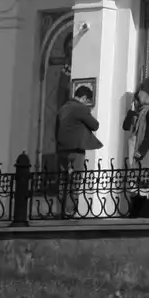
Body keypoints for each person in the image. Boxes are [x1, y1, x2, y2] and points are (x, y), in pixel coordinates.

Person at [54, 85, 102, 216]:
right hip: (76, 149)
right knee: (75, 180)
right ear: (84, 98)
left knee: (63, 180)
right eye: (87, 101)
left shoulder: (63, 107)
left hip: (62, 149)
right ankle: (70, 210)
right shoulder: (80, 108)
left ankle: (60, 210)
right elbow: (95, 125)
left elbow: (56, 128)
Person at [122, 89, 149, 216]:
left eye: (135, 100)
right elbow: (125, 126)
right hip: (135, 152)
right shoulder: (137, 113)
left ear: (139, 100)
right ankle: (136, 212)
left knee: (145, 182)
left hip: (144, 152)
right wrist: (130, 112)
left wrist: (141, 151)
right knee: (136, 183)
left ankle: (147, 211)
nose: (134, 102)